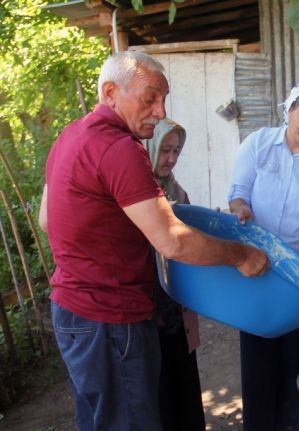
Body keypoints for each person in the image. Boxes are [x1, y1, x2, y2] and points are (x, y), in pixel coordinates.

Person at [39, 51, 268, 430]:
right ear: (110, 92)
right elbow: (173, 241)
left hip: (72, 314)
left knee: (100, 420)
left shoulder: (70, 135)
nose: (160, 111)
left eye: (164, 99)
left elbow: (48, 221)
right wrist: (240, 254)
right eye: (149, 98)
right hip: (113, 319)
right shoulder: (120, 149)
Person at [227, 77, 299, 431]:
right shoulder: (258, 144)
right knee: (259, 358)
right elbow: (239, 191)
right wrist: (240, 209)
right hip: (256, 266)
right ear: (289, 110)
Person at [143, 118, 205, 430]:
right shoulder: (135, 194)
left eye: (176, 151)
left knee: (186, 392)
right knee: (159, 396)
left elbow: (189, 242)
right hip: (147, 310)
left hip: (178, 309)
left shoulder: (178, 193)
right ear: (148, 148)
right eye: (165, 150)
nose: (171, 158)